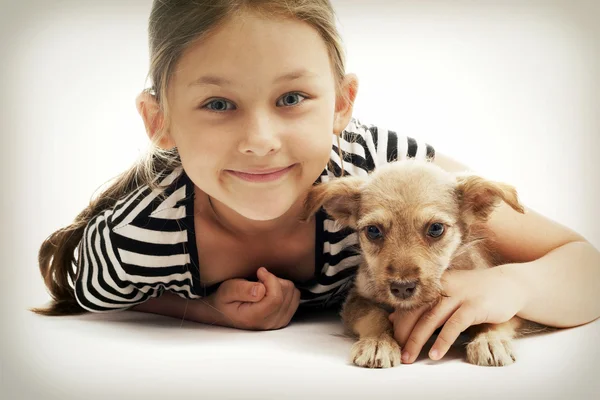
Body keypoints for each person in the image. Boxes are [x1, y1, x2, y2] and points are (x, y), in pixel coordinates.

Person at [32, 0, 600, 364]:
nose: (260, 138)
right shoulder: (141, 239)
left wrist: (512, 288)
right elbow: (84, 287)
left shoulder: (380, 169)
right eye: (218, 102)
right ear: (161, 122)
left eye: (292, 98)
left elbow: (586, 267)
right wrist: (207, 309)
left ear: (342, 104)